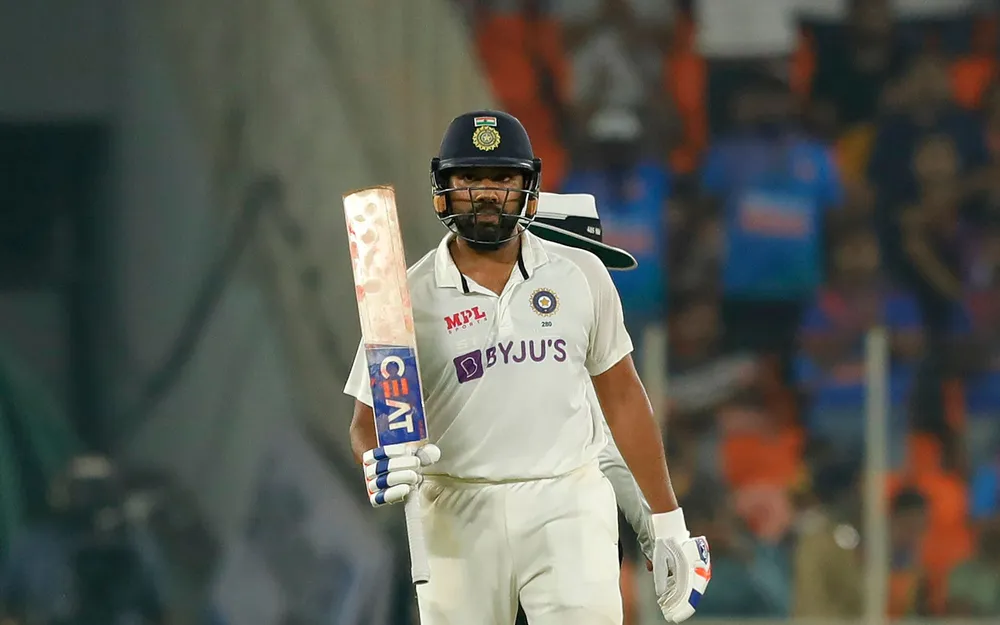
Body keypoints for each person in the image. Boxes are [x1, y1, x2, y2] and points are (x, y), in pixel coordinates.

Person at [344, 111, 710, 624]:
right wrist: (375, 461)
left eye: (502, 179)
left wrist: (668, 524)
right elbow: (368, 423)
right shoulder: (407, 295)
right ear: (444, 188)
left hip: (567, 500)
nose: (487, 193)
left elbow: (624, 401)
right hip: (453, 506)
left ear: (527, 188)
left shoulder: (580, 273)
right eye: (470, 179)